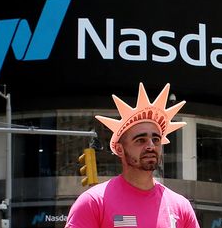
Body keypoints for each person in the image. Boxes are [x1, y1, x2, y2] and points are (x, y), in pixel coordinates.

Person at [65, 82, 200, 228]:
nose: (150, 146)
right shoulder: (93, 202)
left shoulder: (181, 207)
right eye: (140, 140)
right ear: (120, 149)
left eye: (156, 139)